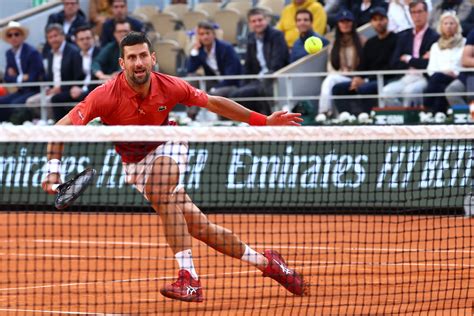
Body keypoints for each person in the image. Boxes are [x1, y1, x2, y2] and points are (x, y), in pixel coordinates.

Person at [41, 31, 306, 303]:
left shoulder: (170, 85)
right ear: (122, 64)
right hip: (135, 164)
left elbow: (214, 103)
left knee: (158, 190)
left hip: (168, 143)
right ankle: (269, 264)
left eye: (143, 55)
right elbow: (59, 130)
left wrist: (263, 121)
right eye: (131, 57)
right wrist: (52, 170)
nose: (138, 62)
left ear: (153, 58)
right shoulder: (104, 96)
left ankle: (189, 279)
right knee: (201, 228)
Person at [332, 7, 398, 115]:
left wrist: (366, 80)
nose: (378, 23)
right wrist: (357, 78)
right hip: (369, 79)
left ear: (387, 20)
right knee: (338, 88)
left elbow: (392, 66)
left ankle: (367, 118)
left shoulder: (396, 39)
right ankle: (347, 119)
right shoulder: (370, 43)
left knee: (364, 88)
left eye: (381, 19)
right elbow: (363, 65)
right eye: (375, 20)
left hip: (387, 79)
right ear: (371, 22)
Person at [229, 8, 289, 115]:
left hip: (274, 77)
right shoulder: (251, 37)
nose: (257, 23)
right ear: (249, 24)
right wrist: (243, 84)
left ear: (266, 20)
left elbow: (278, 63)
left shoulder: (277, 35)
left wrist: (265, 77)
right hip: (258, 79)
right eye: (254, 21)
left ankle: (268, 117)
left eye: (260, 20)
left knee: (262, 88)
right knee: (235, 95)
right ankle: (255, 119)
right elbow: (248, 65)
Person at [381, 0, 439, 107]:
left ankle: (413, 120)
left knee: (410, 91)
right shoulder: (404, 36)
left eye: (420, 12)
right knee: (386, 92)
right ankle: (401, 118)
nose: (417, 16)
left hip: (424, 77)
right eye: (413, 12)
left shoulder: (434, 36)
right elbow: (394, 62)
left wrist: (408, 59)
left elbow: (429, 64)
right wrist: (418, 61)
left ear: (427, 13)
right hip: (406, 76)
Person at [26, 23, 84, 121]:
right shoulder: (50, 54)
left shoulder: (73, 52)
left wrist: (60, 88)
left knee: (49, 101)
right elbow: (49, 76)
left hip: (68, 90)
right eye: (50, 37)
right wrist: (49, 88)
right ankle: (45, 121)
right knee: (30, 102)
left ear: (63, 36)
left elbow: (79, 77)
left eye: (55, 36)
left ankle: (55, 125)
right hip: (52, 89)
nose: (53, 39)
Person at [318, 10, 365, 115]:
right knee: (330, 80)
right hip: (340, 76)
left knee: (330, 80)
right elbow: (330, 66)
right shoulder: (334, 43)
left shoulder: (361, 41)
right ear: (338, 24)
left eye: (348, 21)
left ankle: (324, 112)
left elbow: (366, 63)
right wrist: (342, 72)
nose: (345, 24)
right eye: (342, 22)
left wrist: (358, 77)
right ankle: (324, 113)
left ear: (353, 23)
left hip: (357, 77)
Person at [0, 21, 44, 122]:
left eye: (16, 34)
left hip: (34, 90)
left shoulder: (32, 52)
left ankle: (15, 129)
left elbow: (33, 79)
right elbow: (7, 78)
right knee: (1, 102)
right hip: (21, 90)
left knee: (14, 104)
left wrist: (16, 77)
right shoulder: (9, 54)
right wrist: (21, 77)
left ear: (22, 36)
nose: (13, 37)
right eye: (10, 35)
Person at [423, 11, 465, 113]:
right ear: (441, 26)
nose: (449, 26)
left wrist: (454, 73)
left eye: (452, 23)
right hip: (439, 78)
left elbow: (465, 64)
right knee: (441, 87)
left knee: (435, 82)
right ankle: (439, 114)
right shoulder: (435, 46)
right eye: (445, 23)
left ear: (457, 26)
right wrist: (444, 72)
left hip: (458, 77)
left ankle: (428, 111)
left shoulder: (464, 42)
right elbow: (431, 69)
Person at [186, 21, 242, 97]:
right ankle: (191, 109)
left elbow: (231, 76)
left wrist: (214, 89)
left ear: (214, 35)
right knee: (192, 79)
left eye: (207, 33)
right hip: (214, 82)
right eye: (201, 34)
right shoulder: (201, 50)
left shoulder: (226, 48)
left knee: (214, 95)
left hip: (231, 84)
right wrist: (195, 50)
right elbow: (190, 69)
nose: (205, 37)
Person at [446, 28, 474, 106]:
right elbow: (465, 60)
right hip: (469, 75)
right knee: (451, 90)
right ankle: (465, 115)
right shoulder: (473, 33)